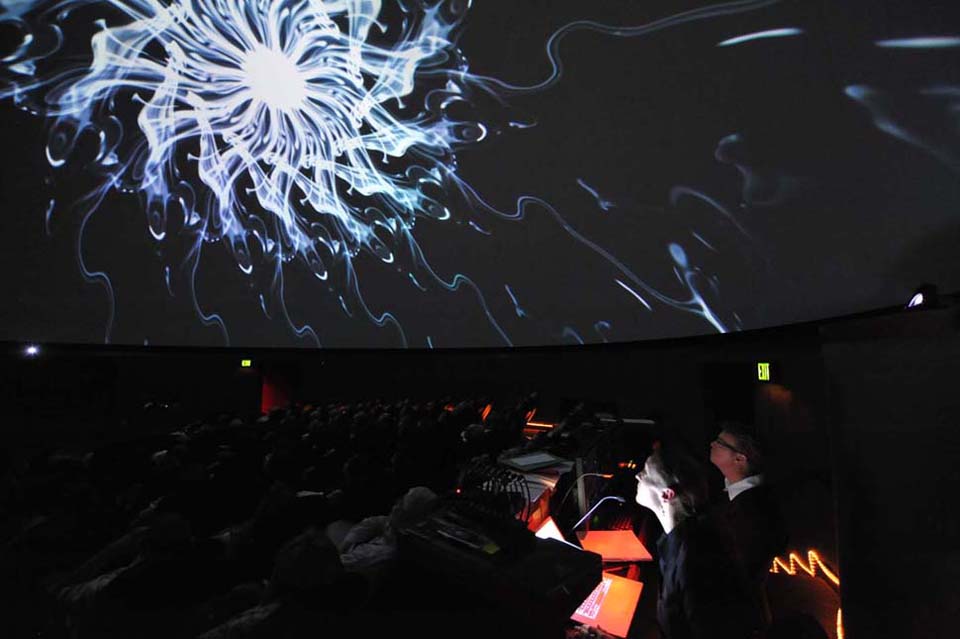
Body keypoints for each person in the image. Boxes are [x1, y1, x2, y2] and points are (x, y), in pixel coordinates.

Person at [636, 440, 756, 639]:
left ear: (667, 494)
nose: (638, 475)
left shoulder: (698, 557)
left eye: (647, 473)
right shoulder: (684, 536)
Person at [708, 422, 788, 628]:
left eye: (720, 443)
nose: (712, 444)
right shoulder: (735, 496)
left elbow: (741, 576)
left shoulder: (753, 510)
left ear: (739, 458)